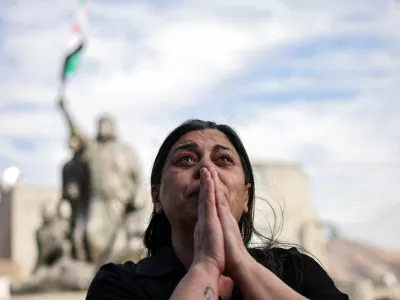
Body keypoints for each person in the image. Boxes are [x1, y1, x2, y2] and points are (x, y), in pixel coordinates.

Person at [86, 119, 349, 300]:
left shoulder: (295, 270)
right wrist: (206, 265)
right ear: (157, 198)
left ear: (246, 197)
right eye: (186, 159)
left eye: (223, 160)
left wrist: (243, 265)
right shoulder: (119, 283)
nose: (206, 170)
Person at [58, 96, 142, 264]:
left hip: (118, 199)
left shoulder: (126, 150)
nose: (102, 128)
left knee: (116, 238)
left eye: (105, 124)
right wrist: (65, 109)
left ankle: (114, 270)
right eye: (99, 124)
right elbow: (77, 132)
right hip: (97, 199)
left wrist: (137, 194)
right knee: (91, 233)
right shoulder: (93, 149)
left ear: (113, 127)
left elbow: (137, 175)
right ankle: (99, 271)